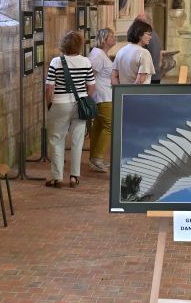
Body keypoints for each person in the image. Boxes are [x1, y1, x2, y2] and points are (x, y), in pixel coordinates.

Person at [43, 31, 95, 188]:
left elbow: (49, 87)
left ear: (63, 44)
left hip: (60, 104)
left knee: (56, 140)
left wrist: (49, 104)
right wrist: (85, 99)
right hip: (79, 105)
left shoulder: (56, 62)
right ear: (79, 45)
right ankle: (74, 177)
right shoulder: (86, 62)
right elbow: (91, 86)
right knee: (77, 141)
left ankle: (57, 177)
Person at [87, 28, 116, 173]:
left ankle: (94, 158)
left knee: (98, 126)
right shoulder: (98, 54)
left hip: (104, 94)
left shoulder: (101, 53)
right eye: (111, 36)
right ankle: (97, 158)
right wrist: (89, 95)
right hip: (101, 96)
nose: (114, 38)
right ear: (104, 40)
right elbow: (90, 76)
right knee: (109, 125)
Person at [111, 19, 155, 86]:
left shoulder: (121, 51)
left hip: (122, 91)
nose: (150, 37)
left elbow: (114, 76)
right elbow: (140, 81)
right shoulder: (144, 53)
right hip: (139, 92)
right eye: (148, 34)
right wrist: (130, 91)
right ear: (140, 34)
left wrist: (119, 90)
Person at [134, 12, 163, 84]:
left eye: (138, 22)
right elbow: (160, 57)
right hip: (155, 75)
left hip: (148, 78)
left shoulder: (146, 37)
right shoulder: (155, 35)